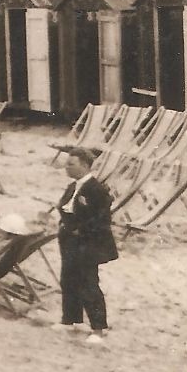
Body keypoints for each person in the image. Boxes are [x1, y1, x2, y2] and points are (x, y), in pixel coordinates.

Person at [56, 147, 117, 345]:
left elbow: (101, 220)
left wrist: (79, 231)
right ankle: (70, 320)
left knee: (88, 283)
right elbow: (65, 208)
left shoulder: (97, 190)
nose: (66, 167)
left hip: (88, 243)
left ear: (84, 166)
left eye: (71, 164)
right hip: (70, 241)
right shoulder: (73, 187)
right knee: (68, 279)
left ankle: (98, 329)